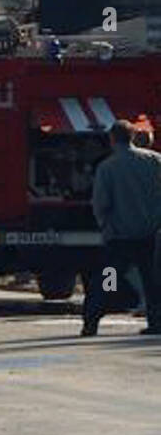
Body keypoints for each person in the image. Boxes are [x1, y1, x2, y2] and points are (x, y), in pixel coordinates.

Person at [83, 119, 161, 336]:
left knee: (108, 278)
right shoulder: (155, 161)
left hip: (119, 238)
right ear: (134, 137)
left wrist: (106, 228)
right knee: (152, 281)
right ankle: (157, 322)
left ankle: (93, 320)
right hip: (149, 235)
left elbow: (100, 204)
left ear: (112, 139)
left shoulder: (107, 167)